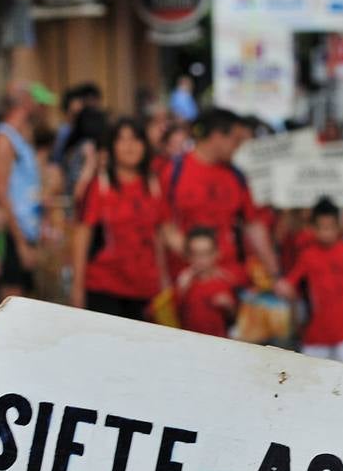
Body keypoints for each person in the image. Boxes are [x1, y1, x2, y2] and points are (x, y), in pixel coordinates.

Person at [70, 118, 176, 319]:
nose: (129, 146)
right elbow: (82, 236)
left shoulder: (154, 185)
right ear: (112, 147)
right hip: (104, 287)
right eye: (122, 140)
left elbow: (166, 233)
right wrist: (77, 289)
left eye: (135, 139)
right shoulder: (99, 186)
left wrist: (199, 249)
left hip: (145, 289)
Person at [168, 107, 278, 281]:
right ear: (217, 137)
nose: (239, 147)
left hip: (230, 278)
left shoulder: (237, 176)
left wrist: (274, 274)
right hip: (188, 281)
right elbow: (164, 228)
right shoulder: (172, 171)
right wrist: (199, 262)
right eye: (236, 140)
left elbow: (254, 227)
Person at [275, 197, 343, 365]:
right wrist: (283, 288)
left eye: (330, 228)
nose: (326, 233)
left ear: (339, 227)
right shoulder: (307, 255)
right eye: (321, 228)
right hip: (317, 334)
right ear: (313, 228)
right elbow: (291, 283)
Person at [0, 81, 46, 299]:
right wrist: (19, 244)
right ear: (26, 103)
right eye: (36, 101)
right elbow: (1, 193)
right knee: (12, 304)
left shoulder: (18, 138)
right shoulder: (3, 139)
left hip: (22, 232)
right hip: (9, 234)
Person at [176, 228, 239, 338]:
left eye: (206, 254)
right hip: (189, 340)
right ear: (188, 256)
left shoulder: (224, 281)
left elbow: (236, 317)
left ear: (216, 253)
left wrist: (229, 306)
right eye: (195, 254)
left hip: (218, 341)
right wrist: (181, 289)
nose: (201, 260)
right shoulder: (185, 281)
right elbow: (172, 314)